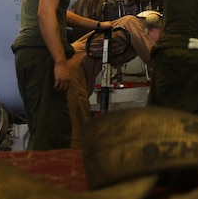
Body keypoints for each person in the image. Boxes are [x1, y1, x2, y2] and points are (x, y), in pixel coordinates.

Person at [11, 0, 111, 150]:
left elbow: (58, 14)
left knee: (41, 131)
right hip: (42, 55)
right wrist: (59, 61)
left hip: (28, 55)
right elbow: (45, 15)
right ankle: (43, 184)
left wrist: (98, 26)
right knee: (53, 137)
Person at [67, 10, 162, 147]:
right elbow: (152, 57)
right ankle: (72, 164)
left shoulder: (127, 31)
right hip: (74, 67)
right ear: (151, 27)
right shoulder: (131, 23)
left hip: (81, 70)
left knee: (78, 121)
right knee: (77, 128)